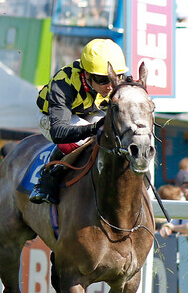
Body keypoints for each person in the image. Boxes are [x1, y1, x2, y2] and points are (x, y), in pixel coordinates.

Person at [30, 38, 128, 204]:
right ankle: (48, 177)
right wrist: (92, 129)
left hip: (89, 111)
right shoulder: (63, 84)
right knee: (81, 140)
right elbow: (60, 132)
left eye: (115, 78)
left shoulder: (114, 81)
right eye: (102, 80)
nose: (110, 86)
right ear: (87, 75)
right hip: (53, 118)